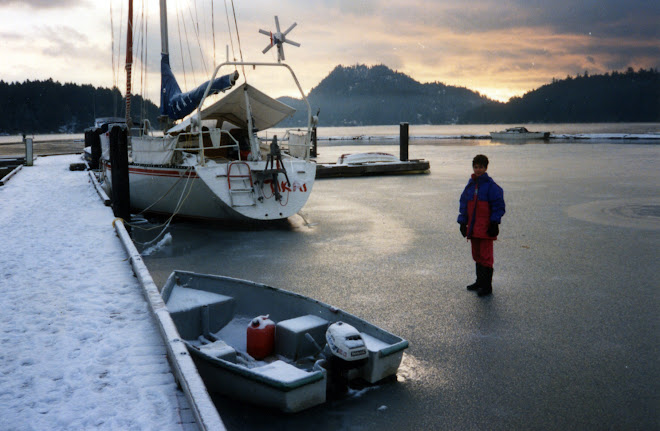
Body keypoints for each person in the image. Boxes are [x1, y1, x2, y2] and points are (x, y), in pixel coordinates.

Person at [457, 154, 505, 296]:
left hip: (486, 229)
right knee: (477, 255)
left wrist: (494, 222)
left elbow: (499, 206)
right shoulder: (470, 186)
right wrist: (462, 222)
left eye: (481, 167)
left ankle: (487, 286)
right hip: (473, 228)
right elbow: (464, 205)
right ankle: (479, 281)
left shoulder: (492, 187)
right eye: (476, 167)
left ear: (486, 168)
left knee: (486, 256)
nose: (478, 170)